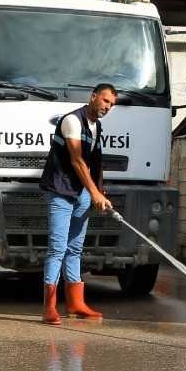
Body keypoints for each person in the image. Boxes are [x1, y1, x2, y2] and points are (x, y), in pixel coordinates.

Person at [39, 84, 116, 324]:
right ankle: (49, 307)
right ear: (93, 97)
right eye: (105, 101)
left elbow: (95, 163)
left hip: (82, 192)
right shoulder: (72, 120)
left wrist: (100, 192)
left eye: (112, 104)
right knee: (57, 248)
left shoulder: (96, 126)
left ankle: (75, 304)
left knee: (75, 249)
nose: (107, 107)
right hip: (61, 190)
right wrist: (94, 193)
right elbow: (77, 161)